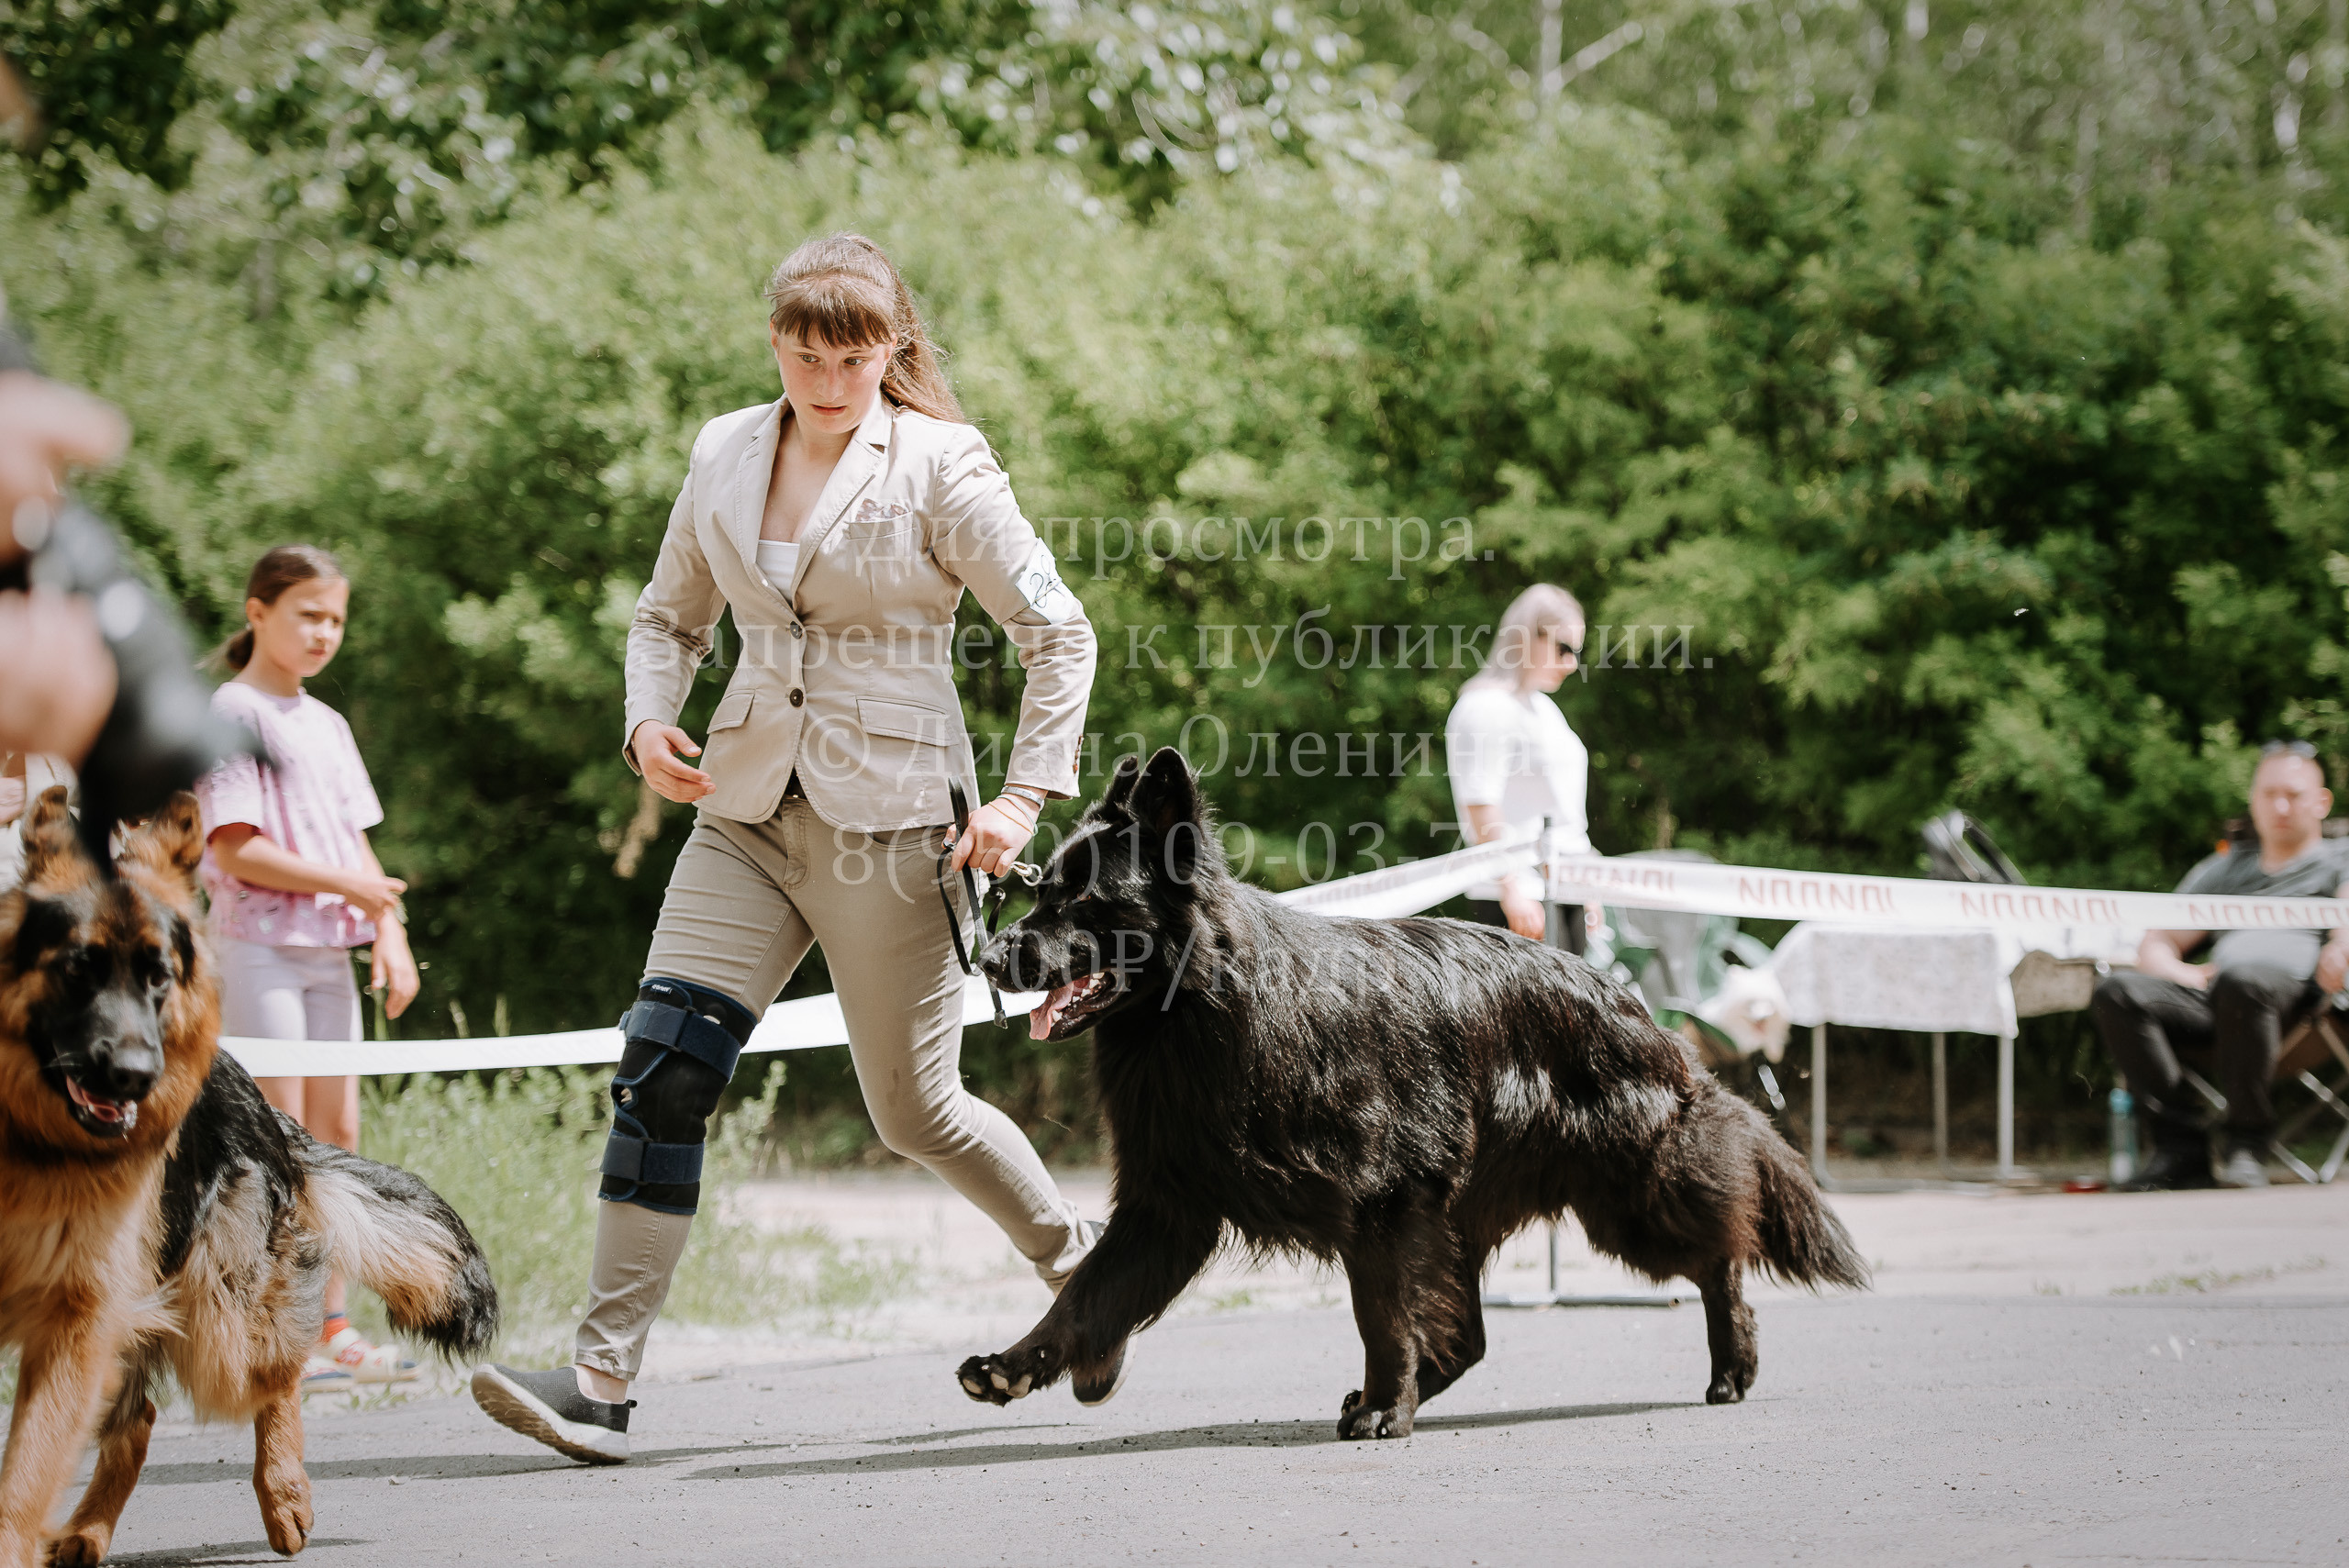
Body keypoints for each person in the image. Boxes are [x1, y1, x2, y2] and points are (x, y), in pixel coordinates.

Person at [470, 233, 1102, 1465]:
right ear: (774, 341)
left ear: (892, 350)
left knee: (915, 1113)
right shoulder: (721, 448)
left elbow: (1058, 633)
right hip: (746, 806)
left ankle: (1084, 1278)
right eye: (804, 350)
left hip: (896, 821)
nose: (826, 375)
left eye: (853, 354)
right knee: (664, 1064)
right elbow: (668, 615)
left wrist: (1025, 799)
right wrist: (650, 715)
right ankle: (601, 1380)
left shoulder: (943, 465)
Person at [194, 544, 423, 1387]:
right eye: (307, 615)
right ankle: (268, 1331)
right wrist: (356, 888)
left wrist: (386, 929)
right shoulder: (231, 710)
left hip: (331, 955)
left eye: (336, 619)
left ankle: (331, 1325)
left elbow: (358, 843)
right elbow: (238, 848)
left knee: (338, 1141)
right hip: (261, 950)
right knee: (276, 1141)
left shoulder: (326, 723)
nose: (325, 633)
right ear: (258, 612)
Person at [2092, 741, 2349, 1191]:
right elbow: (2157, 942)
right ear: (2253, 801)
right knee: (2118, 991)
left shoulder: (2340, 859)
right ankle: (2180, 1148)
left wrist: (2341, 948)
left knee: (2243, 981)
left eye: (2293, 794)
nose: (2280, 806)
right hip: (2217, 1001)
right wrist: (2183, 974)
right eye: (2269, 794)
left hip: (2305, 1010)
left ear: (2321, 802)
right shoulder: (2225, 868)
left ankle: (2247, 1142)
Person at [1445, 584, 1603, 953]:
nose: (1571, 663)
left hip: (1564, 891)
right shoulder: (1484, 707)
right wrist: (1510, 889)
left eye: (1576, 651)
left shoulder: (1544, 709)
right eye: (1563, 648)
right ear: (1527, 637)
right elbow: (1480, 804)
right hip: (1518, 901)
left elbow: (1565, 815)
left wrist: (1590, 886)